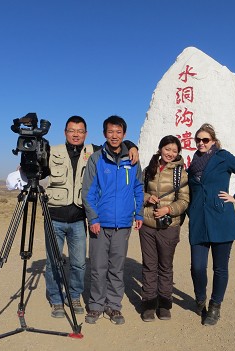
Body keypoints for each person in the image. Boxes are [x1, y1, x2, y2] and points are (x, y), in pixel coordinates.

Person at [42, 115, 139, 318]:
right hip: (54, 216)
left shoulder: (93, 151)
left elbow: (117, 143)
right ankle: (57, 299)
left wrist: (132, 146)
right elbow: (40, 169)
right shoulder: (53, 152)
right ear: (65, 132)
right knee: (53, 262)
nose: (76, 134)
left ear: (86, 134)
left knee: (79, 263)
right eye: (71, 130)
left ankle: (75, 296)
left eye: (80, 131)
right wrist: (25, 168)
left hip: (78, 218)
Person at [187, 123, 235, 326]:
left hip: (221, 218)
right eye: (198, 140)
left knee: (220, 268)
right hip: (199, 220)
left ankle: (215, 307)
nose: (201, 143)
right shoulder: (193, 162)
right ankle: (200, 298)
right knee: (197, 267)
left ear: (213, 141)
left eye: (205, 140)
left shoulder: (223, 157)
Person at [82, 115, 144, 325]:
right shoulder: (96, 158)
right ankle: (96, 306)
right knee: (98, 267)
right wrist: (94, 217)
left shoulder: (133, 159)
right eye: (110, 132)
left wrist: (139, 213)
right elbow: (88, 192)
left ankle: (114, 306)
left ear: (124, 134)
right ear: (104, 134)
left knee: (117, 268)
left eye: (118, 132)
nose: (114, 136)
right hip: (101, 222)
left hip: (123, 224)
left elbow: (138, 188)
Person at [139, 135, 189, 322]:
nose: (170, 153)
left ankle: (165, 304)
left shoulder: (180, 173)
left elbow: (184, 200)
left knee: (165, 267)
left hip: (169, 225)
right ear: (160, 149)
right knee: (149, 266)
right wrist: (146, 198)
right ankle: (149, 304)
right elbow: (139, 190)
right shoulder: (148, 169)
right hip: (148, 224)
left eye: (174, 151)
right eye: (167, 149)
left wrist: (169, 209)